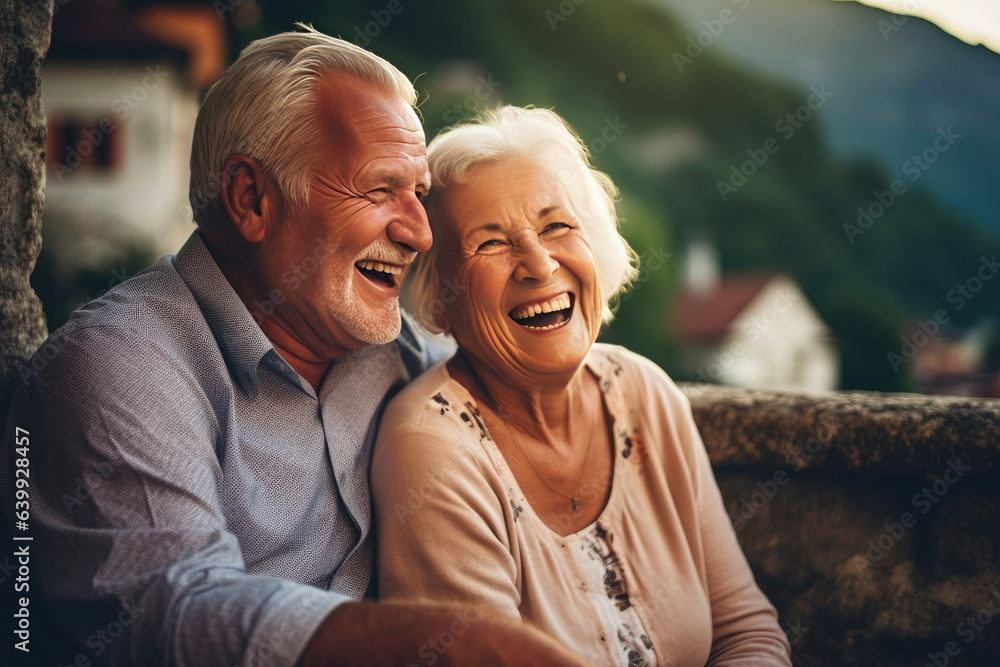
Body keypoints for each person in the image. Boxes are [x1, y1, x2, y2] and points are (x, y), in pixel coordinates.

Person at [1, 29, 586, 667]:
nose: (419, 232)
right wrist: (459, 644)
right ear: (252, 199)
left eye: (418, 193)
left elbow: (511, 384)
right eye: (379, 189)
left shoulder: (395, 351)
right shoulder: (116, 369)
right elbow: (173, 616)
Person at [372, 106, 793, 666]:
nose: (540, 265)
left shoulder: (646, 392)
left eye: (557, 226)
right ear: (439, 298)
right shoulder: (431, 451)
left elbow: (746, 629)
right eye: (492, 243)